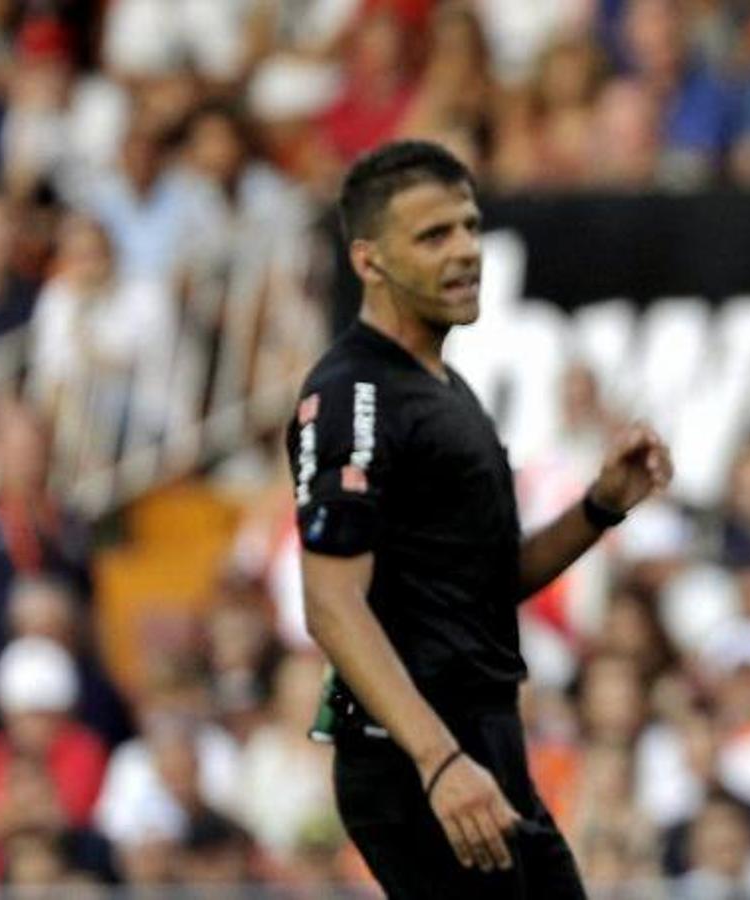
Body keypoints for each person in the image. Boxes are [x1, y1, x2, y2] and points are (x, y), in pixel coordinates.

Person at [288, 140, 672, 898]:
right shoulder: (354, 393)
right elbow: (331, 603)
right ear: (368, 260)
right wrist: (438, 762)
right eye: (434, 235)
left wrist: (599, 508)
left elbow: (488, 585)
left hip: (482, 743)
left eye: (470, 227)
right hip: (418, 757)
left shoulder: (442, 387)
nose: (465, 251)